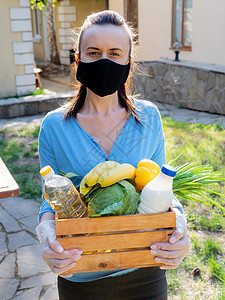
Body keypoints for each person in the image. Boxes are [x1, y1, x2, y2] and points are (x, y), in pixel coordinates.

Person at [36, 10, 190, 300]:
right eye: (93, 52)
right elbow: (50, 199)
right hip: (79, 270)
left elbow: (161, 186)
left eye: (115, 53)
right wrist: (45, 234)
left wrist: (180, 223)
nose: (104, 61)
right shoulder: (54, 127)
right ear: (78, 59)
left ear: (128, 63)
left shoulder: (149, 118)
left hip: (145, 269)